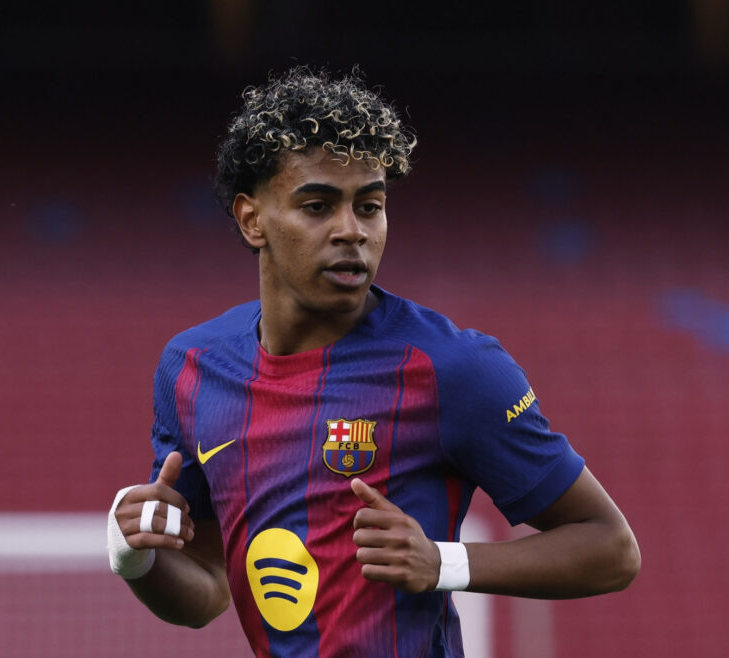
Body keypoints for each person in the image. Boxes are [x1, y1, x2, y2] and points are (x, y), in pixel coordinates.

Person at [107, 65, 640, 657]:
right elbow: (209, 588)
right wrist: (134, 557)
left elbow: (611, 547)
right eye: (318, 206)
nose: (351, 231)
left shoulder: (454, 368)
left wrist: (443, 562)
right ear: (252, 219)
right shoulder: (192, 368)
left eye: (369, 206)